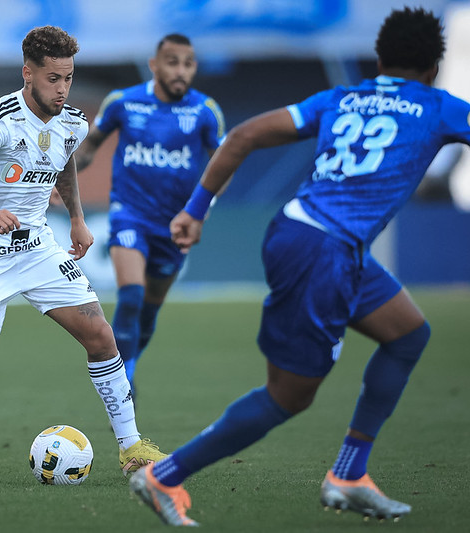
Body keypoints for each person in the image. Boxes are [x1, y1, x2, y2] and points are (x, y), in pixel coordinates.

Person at [128, 7, 470, 526]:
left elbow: (241, 136)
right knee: (287, 397)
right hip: (325, 252)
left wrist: (195, 212)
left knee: (407, 334)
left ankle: (350, 474)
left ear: (379, 57)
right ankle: (163, 476)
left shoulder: (339, 98)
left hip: (303, 232)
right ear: (434, 66)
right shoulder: (441, 107)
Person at [0, 25, 166, 476]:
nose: (62, 89)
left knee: (101, 337)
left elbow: (62, 166)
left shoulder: (74, 122)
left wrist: (77, 219)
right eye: (53, 79)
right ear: (28, 73)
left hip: (37, 246)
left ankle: (132, 447)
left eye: (68, 78)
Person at [74, 33, 226, 394]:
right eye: (172, 62)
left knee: (150, 310)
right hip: (130, 213)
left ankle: (130, 363)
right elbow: (89, 148)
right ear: (154, 65)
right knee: (131, 296)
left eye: (188, 64)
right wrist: (56, 181)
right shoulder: (123, 103)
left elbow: (225, 163)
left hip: (176, 223)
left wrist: (199, 212)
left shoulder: (205, 111)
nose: (181, 71)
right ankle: (120, 385)